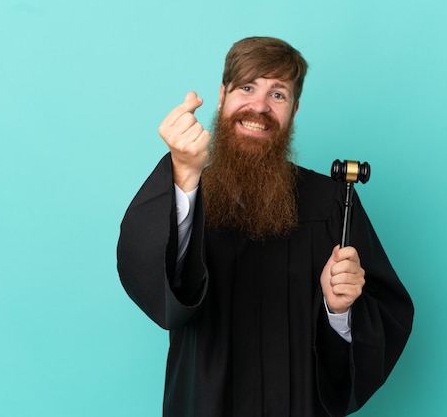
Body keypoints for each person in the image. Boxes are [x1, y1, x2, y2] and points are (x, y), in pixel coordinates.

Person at [117, 36, 413, 417]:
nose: (259, 106)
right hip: (206, 402)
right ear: (222, 96)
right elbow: (160, 292)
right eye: (247, 87)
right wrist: (184, 174)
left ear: (294, 109)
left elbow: (386, 317)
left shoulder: (333, 203)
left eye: (278, 94)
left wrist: (339, 309)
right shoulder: (187, 190)